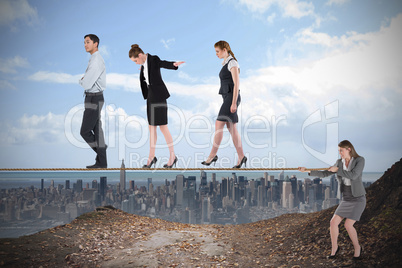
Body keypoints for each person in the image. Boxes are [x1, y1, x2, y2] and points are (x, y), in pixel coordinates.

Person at [298, 140, 366, 260]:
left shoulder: (359, 160)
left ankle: (357, 248)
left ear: (349, 149)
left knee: (348, 225)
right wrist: (307, 170)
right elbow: (325, 174)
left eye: (341, 150)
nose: (340, 153)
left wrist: (337, 170)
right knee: (333, 223)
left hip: (357, 198)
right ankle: (334, 249)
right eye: (339, 150)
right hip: (346, 197)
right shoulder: (339, 162)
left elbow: (354, 175)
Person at [129, 44, 184, 168]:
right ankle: (151, 157)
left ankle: (172, 156)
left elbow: (162, 63)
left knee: (163, 127)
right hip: (150, 97)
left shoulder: (153, 59)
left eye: (136, 60)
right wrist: (143, 70)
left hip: (159, 96)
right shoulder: (143, 66)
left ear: (140, 55)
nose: (136, 63)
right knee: (151, 129)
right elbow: (146, 78)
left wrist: (173, 64)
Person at [201, 40, 246, 168]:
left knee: (218, 124)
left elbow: (237, 84)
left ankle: (212, 155)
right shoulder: (226, 63)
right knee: (232, 129)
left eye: (218, 51)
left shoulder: (232, 63)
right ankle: (241, 157)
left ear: (225, 50)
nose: (216, 54)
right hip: (227, 97)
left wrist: (233, 103)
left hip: (232, 98)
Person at [79, 34, 107, 169]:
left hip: (94, 98)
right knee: (97, 131)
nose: (85, 44)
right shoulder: (93, 59)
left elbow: (86, 83)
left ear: (96, 44)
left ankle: (102, 151)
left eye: (88, 42)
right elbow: (87, 81)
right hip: (94, 97)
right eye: (84, 42)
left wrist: (81, 80)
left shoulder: (96, 61)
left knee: (84, 131)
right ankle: (102, 162)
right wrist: (85, 80)